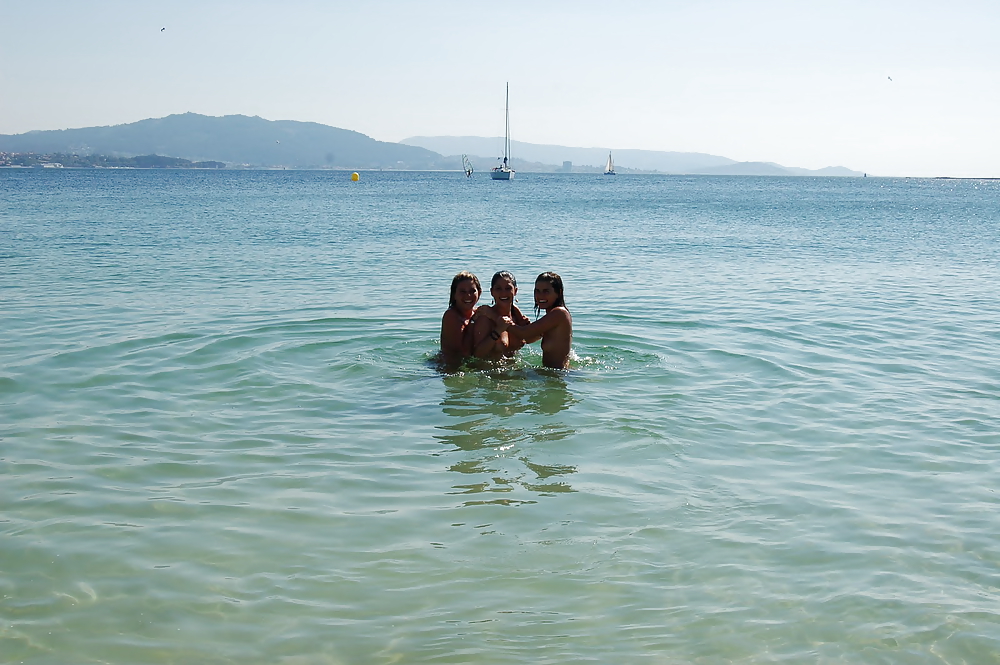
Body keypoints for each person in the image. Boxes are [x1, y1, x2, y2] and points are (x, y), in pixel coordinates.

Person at [502, 272, 572, 369]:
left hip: (558, 375)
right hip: (555, 374)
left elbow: (523, 333)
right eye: (537, 291)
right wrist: (518, 316)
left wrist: (496, 318)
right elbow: (528, 339)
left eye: (546, 291)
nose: (540, 296)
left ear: (558, 293)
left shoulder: (559, 313)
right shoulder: (552, 316)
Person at [471, 271, 532, 361]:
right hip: (491, 373)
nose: (503, 293)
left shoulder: (517, 317)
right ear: (492, 292)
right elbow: (477, 354)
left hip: (514, 370)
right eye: (498, 289)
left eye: (508, 288)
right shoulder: (485, 318)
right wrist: (497, 332)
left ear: (515, 291)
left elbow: (531, 337)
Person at [440, 271, 482, 364]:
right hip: (449, 367)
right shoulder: (451, 316)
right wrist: (473, 321)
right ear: (454, 294)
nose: (468, 295)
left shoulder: (479, 313)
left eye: (472, 291)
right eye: (462, 291)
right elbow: (464, 352)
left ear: (479, 293)